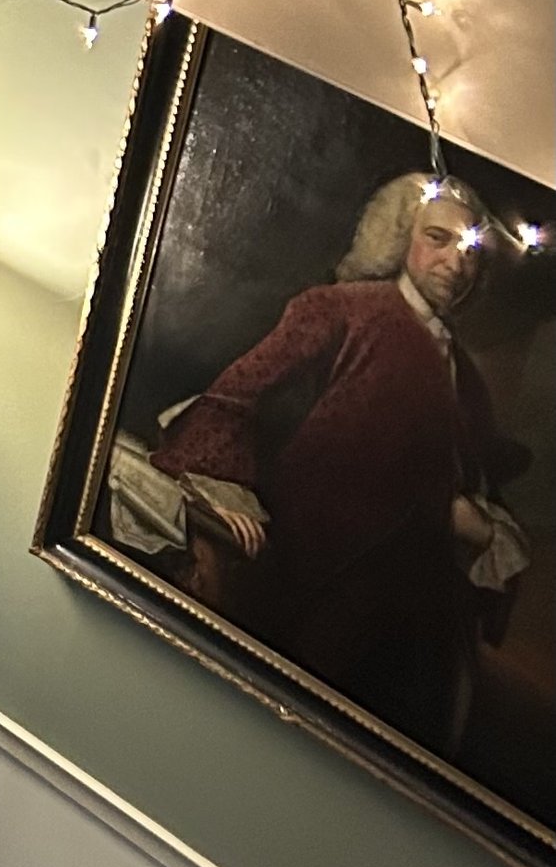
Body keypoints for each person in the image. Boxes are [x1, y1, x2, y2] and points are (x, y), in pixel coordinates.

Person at [142, 171, 528, 750]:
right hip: (319, 564)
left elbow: (463, 472)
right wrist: (222, 488)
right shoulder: (341, 309)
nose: (456, 261)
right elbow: (236, 394)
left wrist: (478, 525)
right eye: (438, 238)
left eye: (471, 249)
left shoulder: (466, 375)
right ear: (400, 236)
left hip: (412, 606)